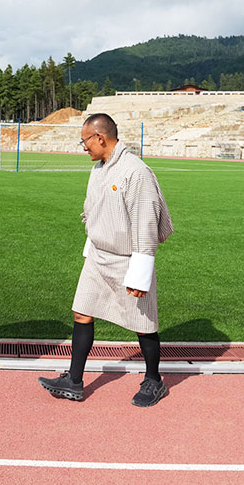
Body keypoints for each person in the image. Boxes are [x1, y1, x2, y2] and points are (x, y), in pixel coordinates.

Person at [38, 113, 173, 407]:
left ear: (100, 138)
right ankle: (74, 380)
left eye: (85, 141)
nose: (83, 147)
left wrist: (141, 271)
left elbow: (145, 222)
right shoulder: (99, 169)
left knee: (143, 322)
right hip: (98, 257)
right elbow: (93, 210)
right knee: (81, 312)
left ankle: (154, 380)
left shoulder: (135, 172)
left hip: (128, 259)